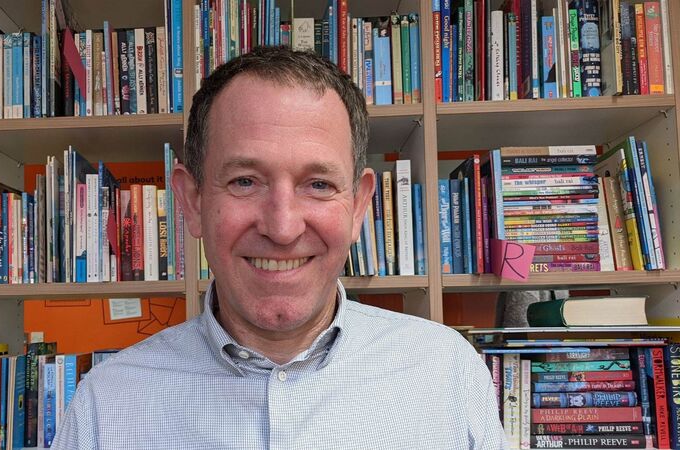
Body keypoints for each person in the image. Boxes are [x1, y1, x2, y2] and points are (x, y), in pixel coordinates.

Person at [52, 47, 505, 449]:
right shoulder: (105, 407)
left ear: (358, 206)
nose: (283, 228)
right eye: (244, 181)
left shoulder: (448, 374)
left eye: (319, 184)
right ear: (192, 202)